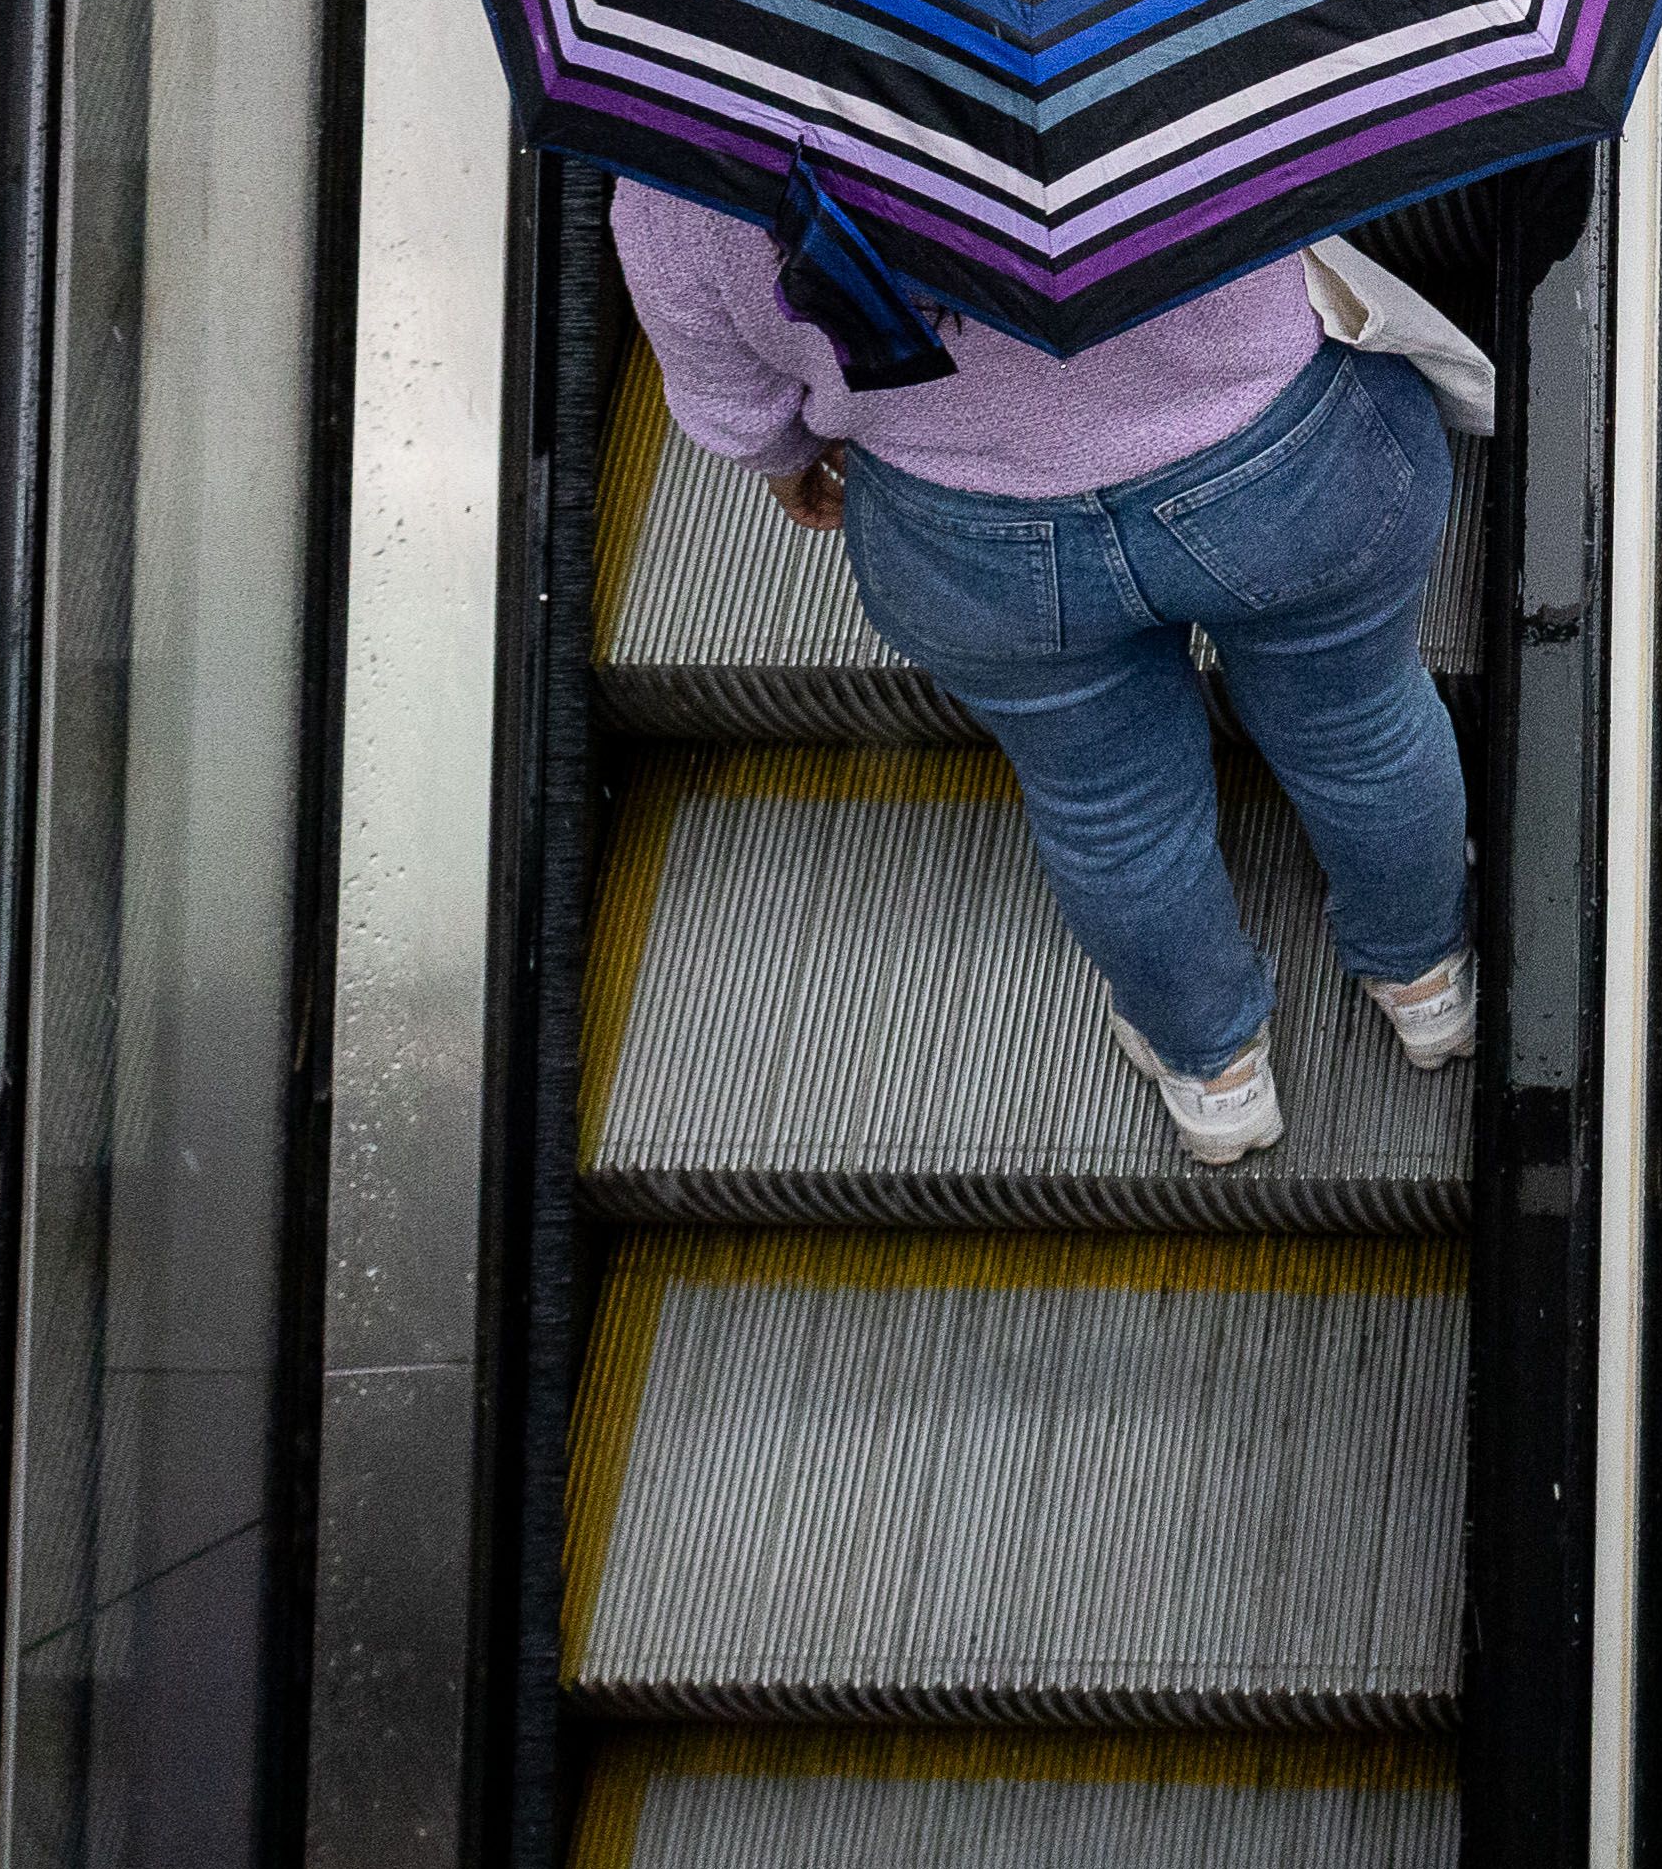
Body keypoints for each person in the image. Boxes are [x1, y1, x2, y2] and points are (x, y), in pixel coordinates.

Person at [611, 185, 1482, 1163]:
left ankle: (1213, 1069)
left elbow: (731, 394)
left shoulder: (683, 153)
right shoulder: (1160, 27)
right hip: (1279, 455)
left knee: (1109, 805)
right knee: (1360, 729)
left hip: (969, 531)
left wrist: (788, 461)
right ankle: (1425, 981)